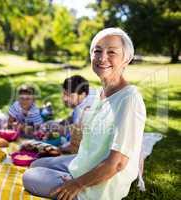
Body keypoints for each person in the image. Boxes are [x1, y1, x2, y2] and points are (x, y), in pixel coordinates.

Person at [23, 27, 146, 200]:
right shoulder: (100, 94)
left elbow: (117, 163)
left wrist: (77, 183)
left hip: (100, 186)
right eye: (97, 51)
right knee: (35, 163)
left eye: (112, 52)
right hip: (84, 163)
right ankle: (71, 174)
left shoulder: (129, 99)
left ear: (126, 59)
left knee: (28, 176)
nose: (102, 58)